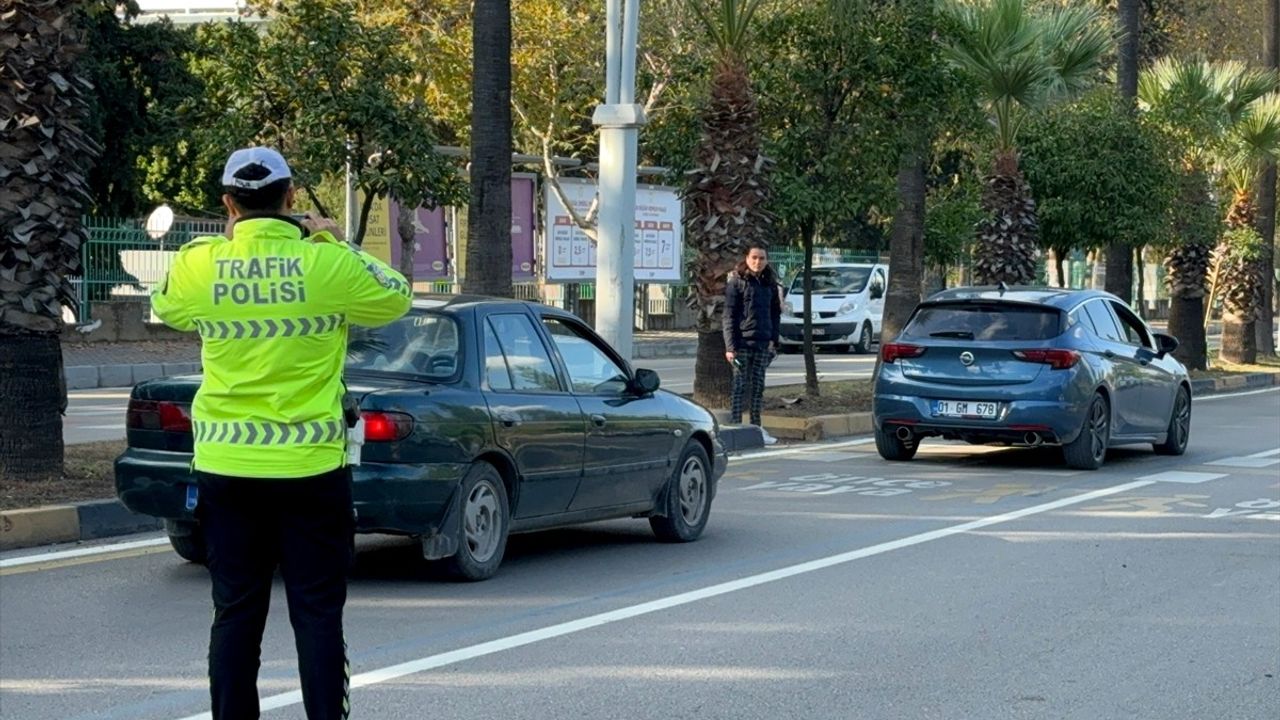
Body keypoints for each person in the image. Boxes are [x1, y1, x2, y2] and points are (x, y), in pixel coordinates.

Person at [151, 146, 412, 720]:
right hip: (311, 472)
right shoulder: (328, 264)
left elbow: (164, 299)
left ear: (228, 204)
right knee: (317, 613)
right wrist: (330, 238)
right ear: (292, 198)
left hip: (228, 470)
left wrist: (217, 246)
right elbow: (396, 293)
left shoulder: (202, 265)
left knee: (235, 614)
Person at [722, 243, 782, 445]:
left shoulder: (770, 284)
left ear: (767, 260)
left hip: (762, 344)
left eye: (762, 258)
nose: (758, 262)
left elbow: (775, 313)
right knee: (739, 386)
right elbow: (729, 316)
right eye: (754, 257)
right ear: (746, 259)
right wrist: (730, 347)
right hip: (741, 346)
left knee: (758, 387)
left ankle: (757, 429)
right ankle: (736, 428)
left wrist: (774, 339)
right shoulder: (736, 283)